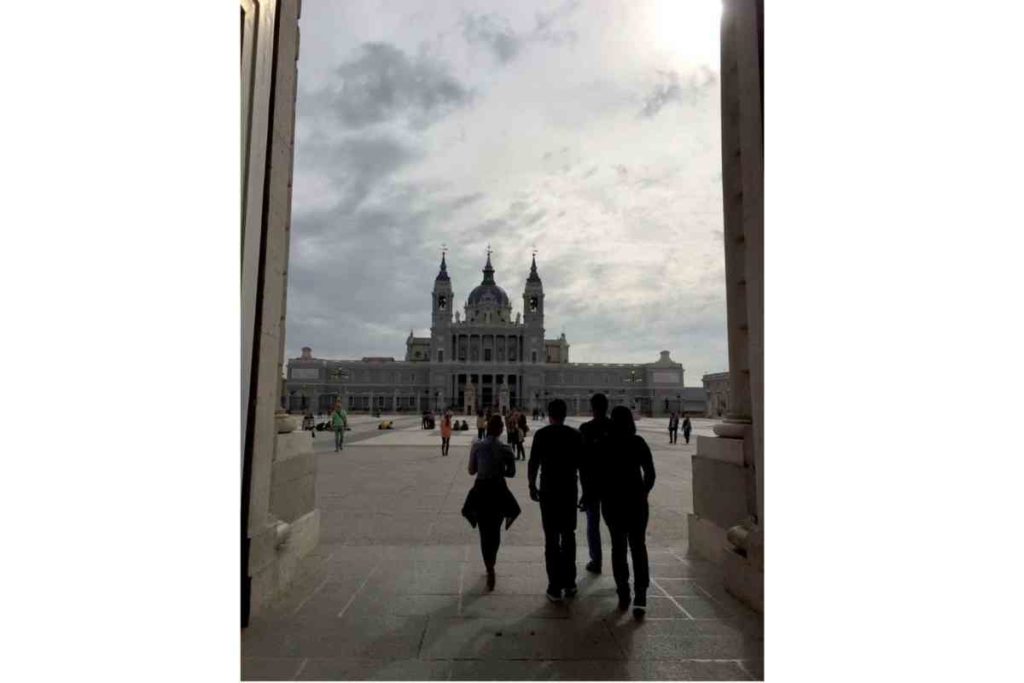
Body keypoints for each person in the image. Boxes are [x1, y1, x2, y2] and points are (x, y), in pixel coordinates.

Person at [600, 406, 656, 619]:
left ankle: (623, 590)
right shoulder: (638, 442)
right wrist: (643, 493)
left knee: (618, 547)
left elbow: (598, 474)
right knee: (638, 546)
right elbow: (650, 473)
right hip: (636, 501)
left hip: (613, 502)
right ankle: (640, 594)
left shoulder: (605, 443)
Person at [528, 398, 584, 602]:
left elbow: (533, 462)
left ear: (548, 414)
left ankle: (554, 586)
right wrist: (585, 491)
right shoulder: (575, 435)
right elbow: (582, 466)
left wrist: (531, 485)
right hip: (569, 489)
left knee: (551, 538)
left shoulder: (542, 435)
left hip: (548, 490)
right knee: (569, 536)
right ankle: (570, 583)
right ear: (565, 414)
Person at [462, 415, 520, 591]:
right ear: (501, 430)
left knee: (483, 530)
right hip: (498, 490)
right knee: (496, 529)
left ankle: (489, 567)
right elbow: (511, 473)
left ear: (487, 428)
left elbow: (471, 471)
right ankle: (491, 564)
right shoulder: (506, 448)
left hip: (480, 491)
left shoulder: (477, 446)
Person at [579, 393, 614, 575]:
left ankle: (596, 560)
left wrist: (584, 490)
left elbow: (582, 462)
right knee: (615, 527)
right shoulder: (615, 428)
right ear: (607, 406)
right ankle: (618, 564)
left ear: (591, 407)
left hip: (592, 485)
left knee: (593, 524)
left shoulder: (585, 429)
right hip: (611, 485)